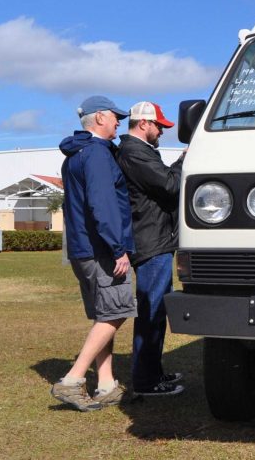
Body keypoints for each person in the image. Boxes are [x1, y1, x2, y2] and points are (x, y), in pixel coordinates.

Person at [51, 95, 135, 411]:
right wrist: (118, 249)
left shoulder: (75, 154)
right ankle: (72, 380)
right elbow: (103, 206)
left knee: (105, 314)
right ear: (99, 117)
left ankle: (107, 383)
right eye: (116, 117)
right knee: (116, 312)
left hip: (82, 249)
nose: (119, 122)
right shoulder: (98, 156)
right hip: (102, 250)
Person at [116, 101, 185, 396]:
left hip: (154, 239)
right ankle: (146, 381)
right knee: (152, 312)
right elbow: (170, 185)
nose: (161, 132)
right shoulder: (136, 152)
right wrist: (186, 161)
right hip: (151, 242)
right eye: (159, 126)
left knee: (155, 311)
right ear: (143, 123)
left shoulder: (139, 152)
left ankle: (153, 373)